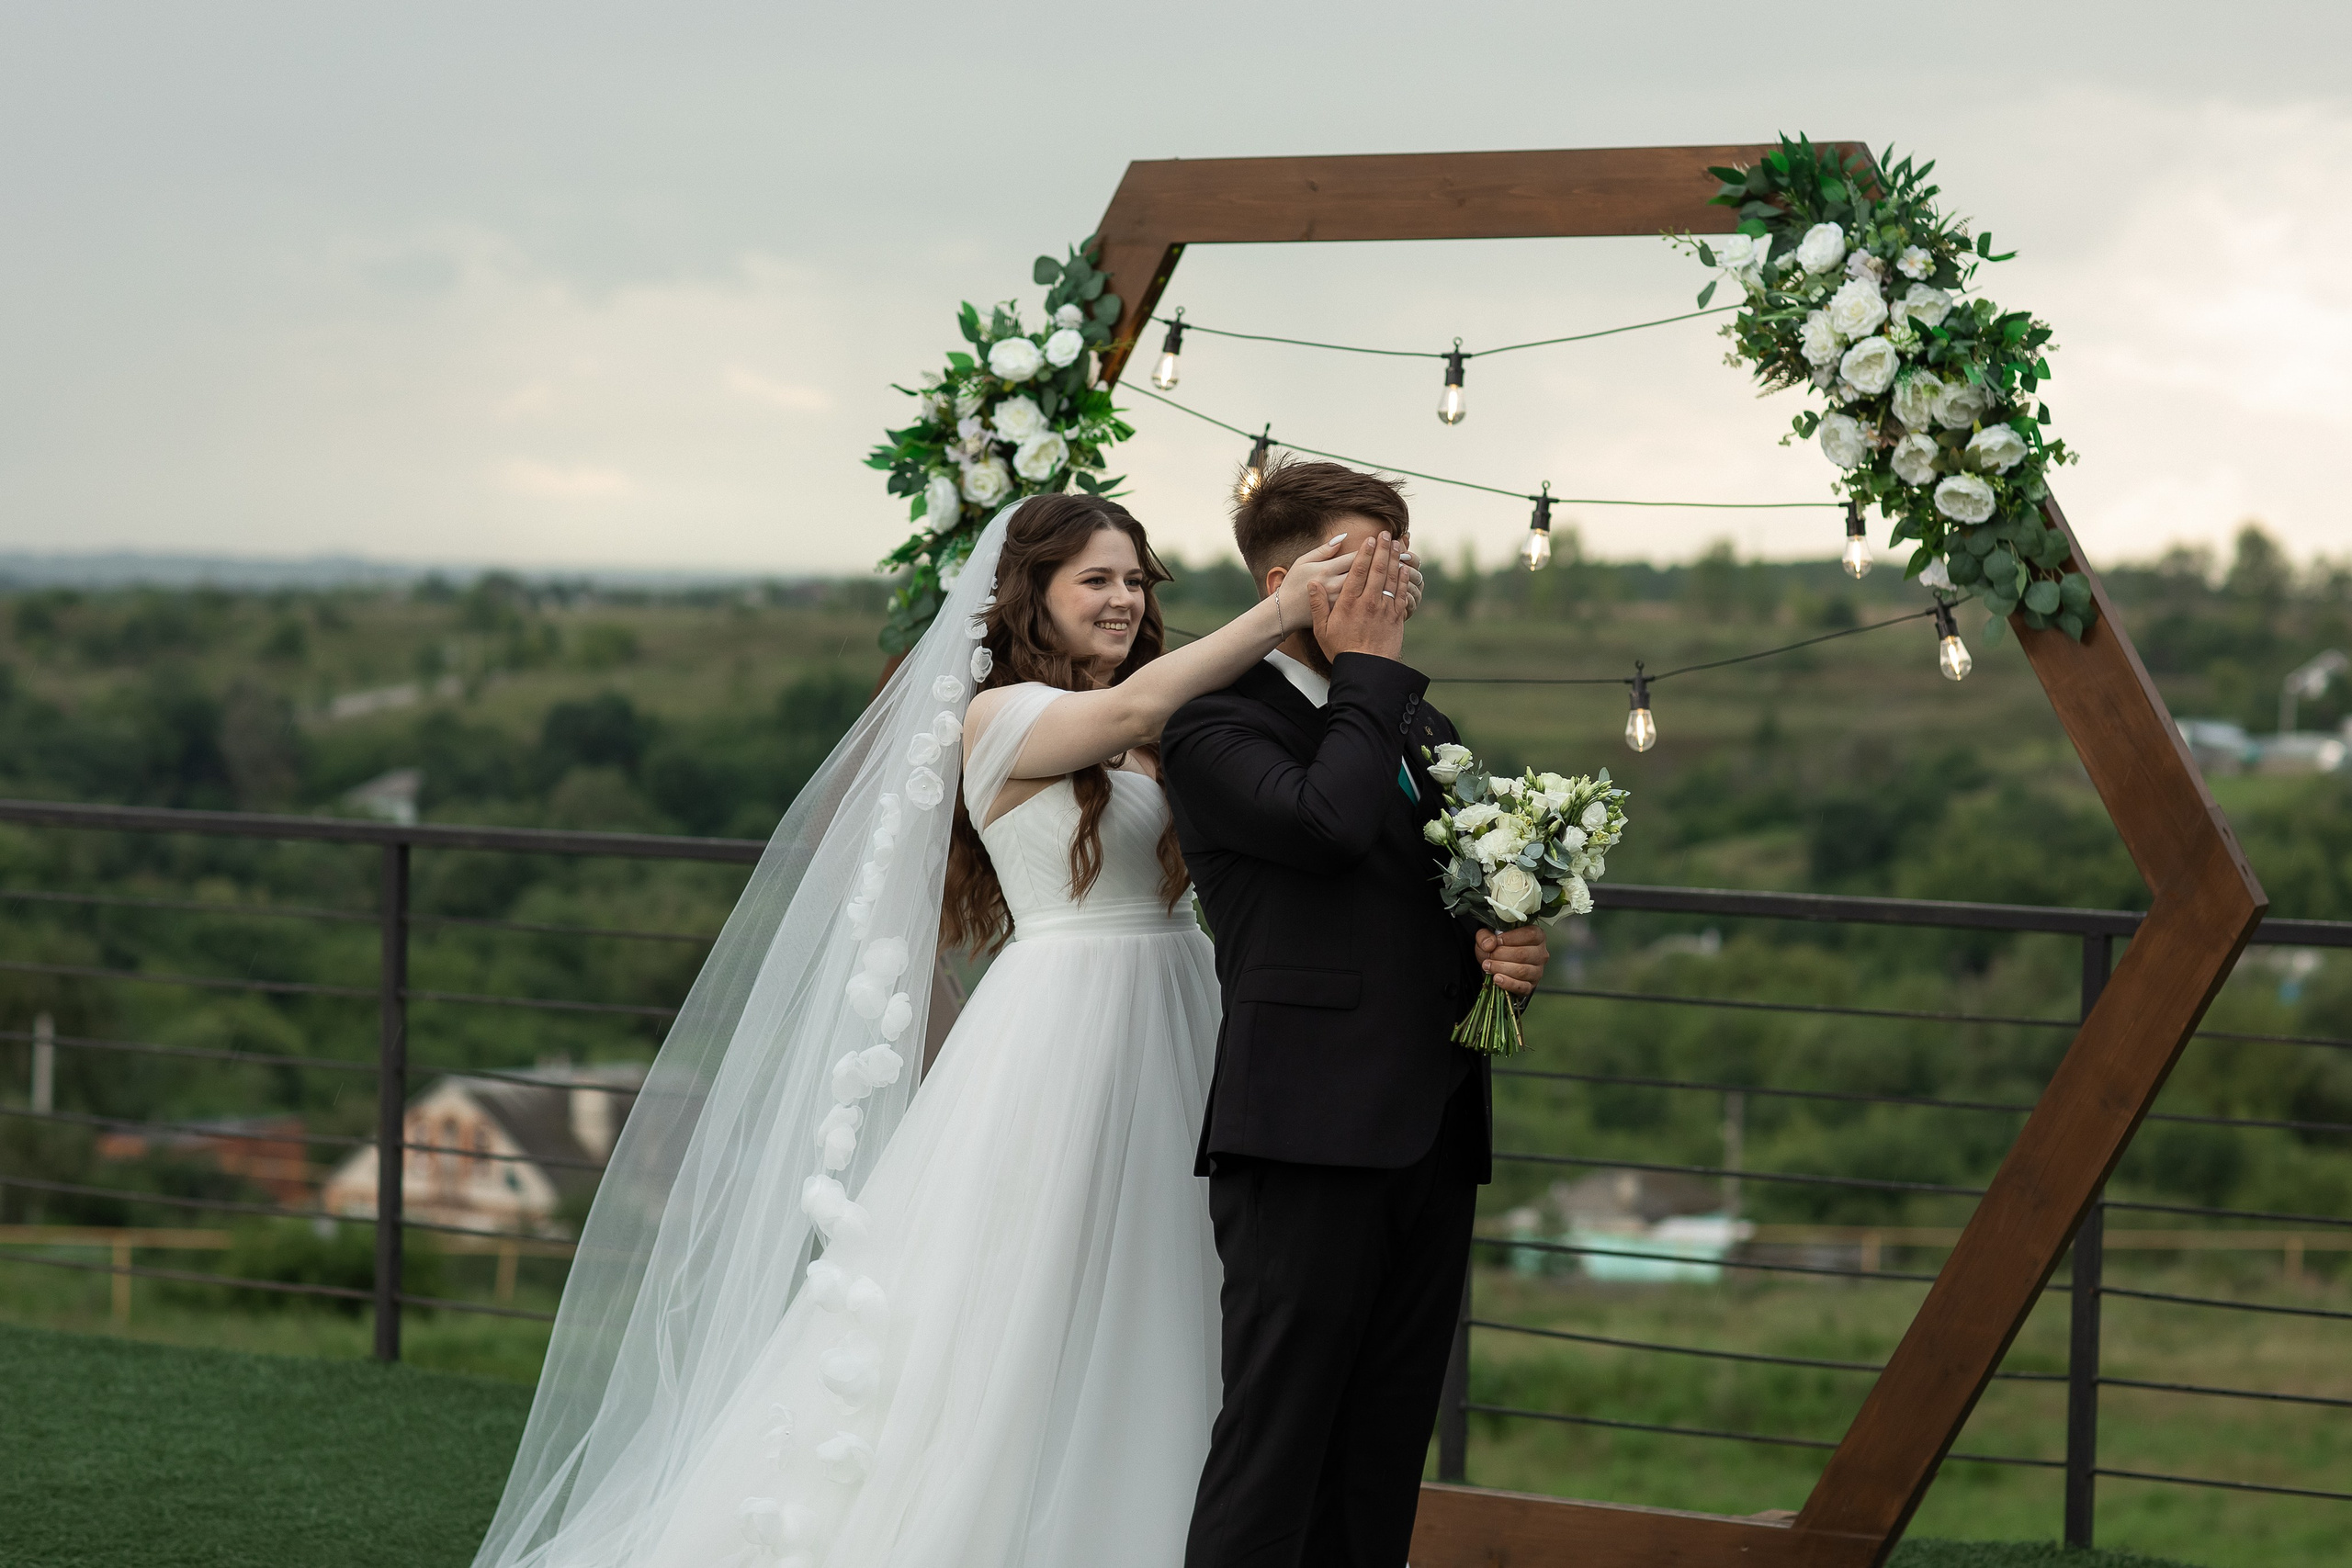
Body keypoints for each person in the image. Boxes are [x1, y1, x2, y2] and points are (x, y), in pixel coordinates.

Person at [470, 491, 1419, 1568]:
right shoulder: (1000, 716)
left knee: (1178, 1288)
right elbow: (1122, 714)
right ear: (1034, 598)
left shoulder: (1174, 721)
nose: (1120, 600)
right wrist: (1281, 604)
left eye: (1132, 580)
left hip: (1183, 1006)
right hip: (1062, 1027)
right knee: (1023, 1293)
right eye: (1093, 581)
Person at [1164, 458, 1549, 1568]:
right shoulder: (1212, 724)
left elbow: (1442, 886)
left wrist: (1505, 946)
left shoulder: (1417, 716)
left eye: (1400, 556)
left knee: (1380, 1453)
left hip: (1430, 1129)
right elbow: (1328, 824)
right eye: (1360, 562)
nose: (1393, 582)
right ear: (1282, 580)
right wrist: (1369, 671)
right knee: (1275, 1449)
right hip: (1303, 1132)